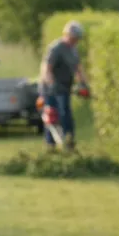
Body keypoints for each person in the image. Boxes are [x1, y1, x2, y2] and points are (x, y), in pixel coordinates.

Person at [39, 21, 89, 151]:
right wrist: (51, 85)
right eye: (73, 38)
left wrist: (83, 84)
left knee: (66, 115)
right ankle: (51, 146)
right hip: (51, 89)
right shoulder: (56, 48)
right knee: (52, 116)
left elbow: (78, 69)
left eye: (77, 39)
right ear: (66, 35)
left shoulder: (73, 50)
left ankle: (69, 142)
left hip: (64, 88)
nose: (74, 41)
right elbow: (47, 69)